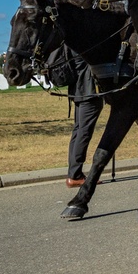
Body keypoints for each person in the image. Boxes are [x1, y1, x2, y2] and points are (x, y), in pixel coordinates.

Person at [46, 45, 105, 188]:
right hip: (89, 91)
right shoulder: (83, 44)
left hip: (78, 91)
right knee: (83, 133)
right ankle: (75, 175)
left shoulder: (69, 44)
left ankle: (73, 172)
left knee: (78, 131)